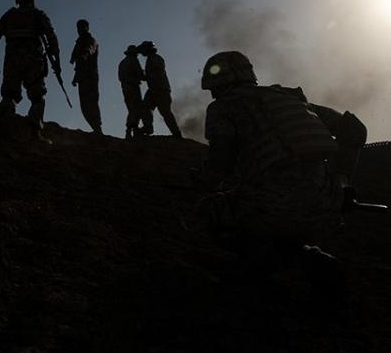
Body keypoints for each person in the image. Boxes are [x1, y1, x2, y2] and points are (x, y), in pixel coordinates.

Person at [198, 50, 367, 284]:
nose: (213, 95)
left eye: (213, 89)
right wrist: (342, 184)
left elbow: (220, 159)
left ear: (221, 83)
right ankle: (306, 256)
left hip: (273, 208)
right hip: (326, 206)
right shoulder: (289, 98)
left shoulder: (223, 107)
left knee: (208, 210)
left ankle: (274, 262)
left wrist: (205, 182)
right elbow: (354, 129)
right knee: (271, 213)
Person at [0, 0, 60, 144]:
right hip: (33, 61)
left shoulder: (9, 15)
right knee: (37, 97)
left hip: (12, 61)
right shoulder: (38, 15)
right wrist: (56, 60)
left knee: (9, 96)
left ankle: (4, 132)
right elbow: (51, 37)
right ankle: (35, 134)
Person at [137, 41, 182, 138]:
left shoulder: (156, 59)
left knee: (165, 112)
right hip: (154, 89)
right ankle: (148, 127)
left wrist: (146, 76)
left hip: (161, 90)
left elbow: (158, 73)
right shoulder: (150, 59)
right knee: (145, 108)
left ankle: (176, 133)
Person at [70, 19, 102, 134]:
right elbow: (78, 63)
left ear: (87, 27)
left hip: (90, 76)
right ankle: (96, 129)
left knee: (92, 103)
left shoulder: (90, 40)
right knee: (84, 105)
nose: (79, 30)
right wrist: (75, 77)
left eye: (82, 27)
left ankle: (98, 129)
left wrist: (85, 54)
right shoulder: (79, 42)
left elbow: (89, 50)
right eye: (78, 27)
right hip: (82, 76)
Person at [117, 45, 145, 140]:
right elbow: (140, 74)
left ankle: (130, 132)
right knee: (137, 109)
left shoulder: (122, 63)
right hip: (134, 87)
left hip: (125, 88)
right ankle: (133, 130)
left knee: (131, 109)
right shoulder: (133, 61)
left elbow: (120, 78)